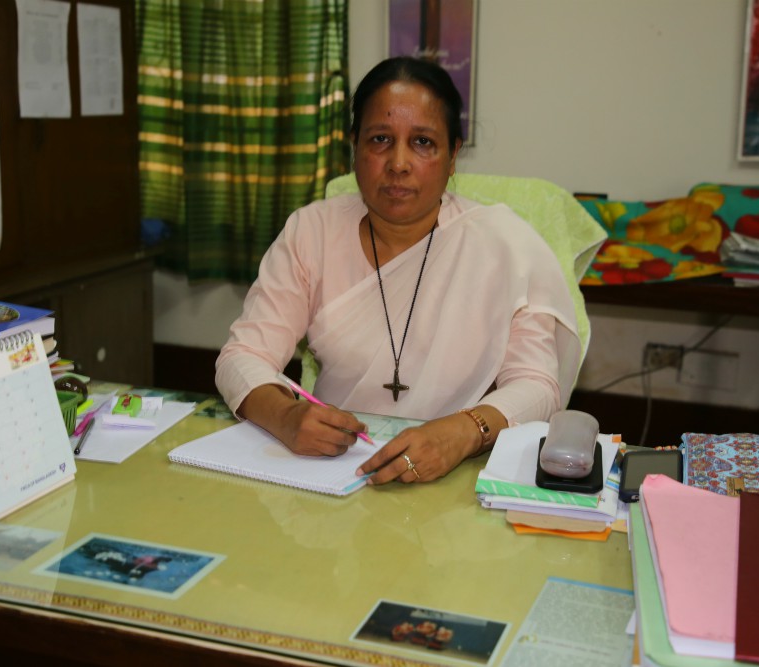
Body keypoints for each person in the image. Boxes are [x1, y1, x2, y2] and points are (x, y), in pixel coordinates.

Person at [215, 56, 580, 485]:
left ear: (453, 154)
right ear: (355, 146)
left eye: (423, 142)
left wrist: (462, 433)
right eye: (380, 139)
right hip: (334, 469)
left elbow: (538, 385)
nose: (399, 163)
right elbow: (243, 356)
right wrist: (286, 416)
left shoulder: (505, 246)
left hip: (458, 474)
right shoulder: (311, 232)